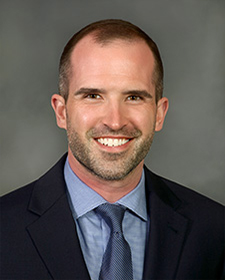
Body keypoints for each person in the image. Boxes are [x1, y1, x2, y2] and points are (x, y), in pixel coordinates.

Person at [1, 19, 224, 280]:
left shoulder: (215, 231)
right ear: (62, 112)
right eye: (93, 96)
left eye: (134, 97)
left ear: (159, 114)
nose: (115, 121)